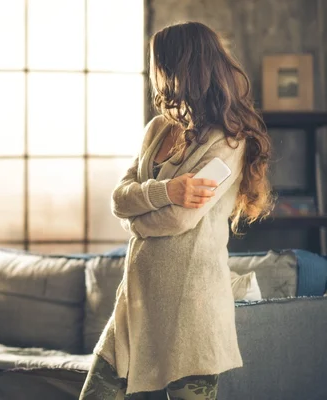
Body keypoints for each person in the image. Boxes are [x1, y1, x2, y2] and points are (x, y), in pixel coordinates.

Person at [79, 21, 273, 400]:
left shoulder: (229, 142)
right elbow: (118, 198)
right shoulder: (155, 130)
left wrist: (138, 214)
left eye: (158, 64)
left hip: (192, 310)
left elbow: (178, 219)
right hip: (136, 302)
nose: (155, 75)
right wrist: (169, 188)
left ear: (182, 67)